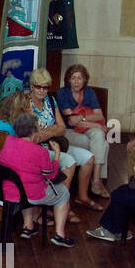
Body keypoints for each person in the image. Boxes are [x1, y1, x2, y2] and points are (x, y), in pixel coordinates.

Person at [24, 69, 99, 210]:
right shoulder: (26, 104)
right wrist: (52, 130)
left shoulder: (50, 101)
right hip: (39, 149)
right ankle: (61, 205)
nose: (42, 91)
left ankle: (82, 197)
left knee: (89, 157)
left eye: (45, 87)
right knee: (69, 161)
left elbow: (62, 128)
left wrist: (50, 131)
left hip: (55, 143)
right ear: (32, 86)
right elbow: (35, 135)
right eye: (38, 86)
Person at [0, 113, 74, 247]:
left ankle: (28, 225)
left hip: (7, 191)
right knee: (63, 193)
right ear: (33, 131)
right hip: (29, 194)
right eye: (38, 128)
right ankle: (60, 235)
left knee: (26, 182)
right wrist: (57, 155)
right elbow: (51, 175)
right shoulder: (40, 151)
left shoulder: (8, 140)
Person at [56, 63, 111, 197]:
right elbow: (71, 121)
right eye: (73, 78)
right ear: (68, 79)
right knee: (102, 143)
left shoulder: (89, 92)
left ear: (85, 80)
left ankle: (96, 181)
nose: (76, 81)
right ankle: (96, 181)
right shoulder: (62, 93)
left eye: (79, 78)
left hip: (86, 128)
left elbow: (99, 115)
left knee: (98, 137)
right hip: (69, 132)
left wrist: (83, 117)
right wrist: (97, 125)